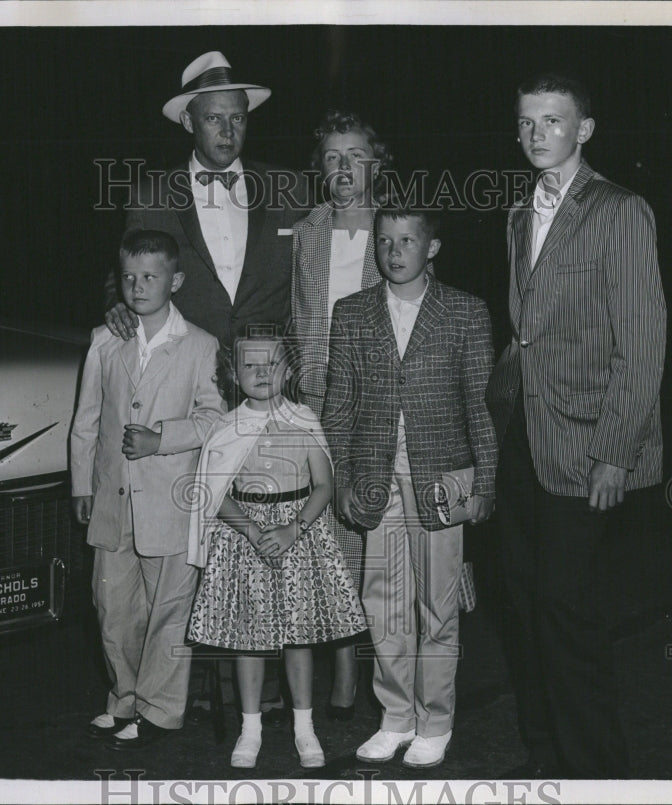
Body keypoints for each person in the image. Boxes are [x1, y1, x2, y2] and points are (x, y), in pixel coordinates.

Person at [485, 73, 667, 778]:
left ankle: (598, 773)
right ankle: (545, 758)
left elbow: (643, 343)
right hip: (522, 442)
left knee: (568, 615)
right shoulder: (516, 213)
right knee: (526, 609)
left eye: (552, 122)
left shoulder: (620, 210)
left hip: (589, 444)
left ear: (584, 130)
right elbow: (524, 337)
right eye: (526, 122)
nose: (536, 135)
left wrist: (615, 452)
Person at [323, 201, 498, 769]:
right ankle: (395, 716)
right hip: (377, 479)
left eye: (407, 241)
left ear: (433, 247)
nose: (394, 252)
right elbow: (339, 406)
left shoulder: (465, 313)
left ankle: (436, 721)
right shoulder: (351, 313)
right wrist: (342, 478)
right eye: (385, 241)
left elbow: (480, 405)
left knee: (438, 607)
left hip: (444, 478)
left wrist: (486, 481)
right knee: (384, 605)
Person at [70, 229, 224, 750]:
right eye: (129, 277)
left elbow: (213, 419)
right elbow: (86, 420)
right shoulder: (104, 340)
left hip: (170, 501)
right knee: (113, 607)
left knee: (169, 609)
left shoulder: (200, 345)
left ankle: (161, 711)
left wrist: (162, 439)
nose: (138, 286)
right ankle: (125, 699)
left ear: (175, 280)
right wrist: (80, 485)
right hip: (113, 500)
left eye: (151, 276)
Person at [186, 325, 366, 769]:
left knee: (297, 636)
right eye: (249, 364)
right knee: (250, 637)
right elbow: (213, 490)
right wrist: (248, 528)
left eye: (271, 363)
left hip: (296, 535)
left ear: (288, 368)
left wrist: (293, 529)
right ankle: (251, 728)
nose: (261, 372)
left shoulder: (305, 419)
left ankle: (305, 727)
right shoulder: (226, 427)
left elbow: (323, 485)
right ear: (232, 371)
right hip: (245, 537)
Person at [290, 109, 392, 721]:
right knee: (327, 541)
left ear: (377, 162)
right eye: (331, 157)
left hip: (377, 401)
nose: (343, 167)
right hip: (316, 404)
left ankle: (386, 666)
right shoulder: (306, 233)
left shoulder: (397, 228)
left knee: (372, 532)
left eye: (355, 155)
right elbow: (295, 318)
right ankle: (345, 661)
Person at [105, 50, 309, 348]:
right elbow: (124, 269)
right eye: (213, 118)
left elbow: (317, 270)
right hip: (185, 361)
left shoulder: (291, 187)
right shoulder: (151, 196)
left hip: (269, 367)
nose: (228, 132)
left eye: (237, 118)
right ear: (188, 122)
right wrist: (116, 303)